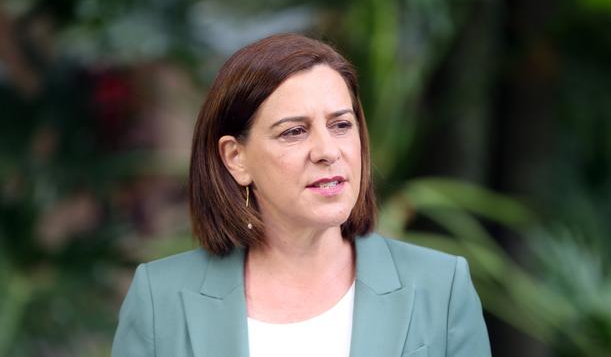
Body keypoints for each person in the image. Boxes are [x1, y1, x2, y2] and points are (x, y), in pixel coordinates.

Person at [111, 33, 491, 357]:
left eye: (341, 124)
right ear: (236, 158)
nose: (327, 151)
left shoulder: (441, 288)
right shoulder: (160, 298)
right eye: (294, 131)